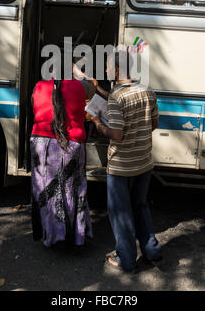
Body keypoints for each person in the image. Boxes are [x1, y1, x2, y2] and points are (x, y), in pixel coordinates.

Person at [89, 49, 162, 272]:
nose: (105, 70)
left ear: (118, 70)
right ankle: (152, 251)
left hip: (121, 166)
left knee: (120, 213)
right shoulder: (147, 90)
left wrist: (98, 124)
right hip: (144, 163)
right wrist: (99, 89)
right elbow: (154, 124)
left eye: (109, 66)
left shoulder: (117, 98)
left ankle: (126, 260)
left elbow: (117, 135)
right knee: (140, 206)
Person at [30, 58, 93, 247]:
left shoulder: (38, 87)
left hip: (41, 144)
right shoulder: (79, 88)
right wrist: (78, 72)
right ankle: (75, 235)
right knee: (73, 189)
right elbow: (91, 85)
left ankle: (50, 234)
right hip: (71, 144)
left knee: (45, 190)